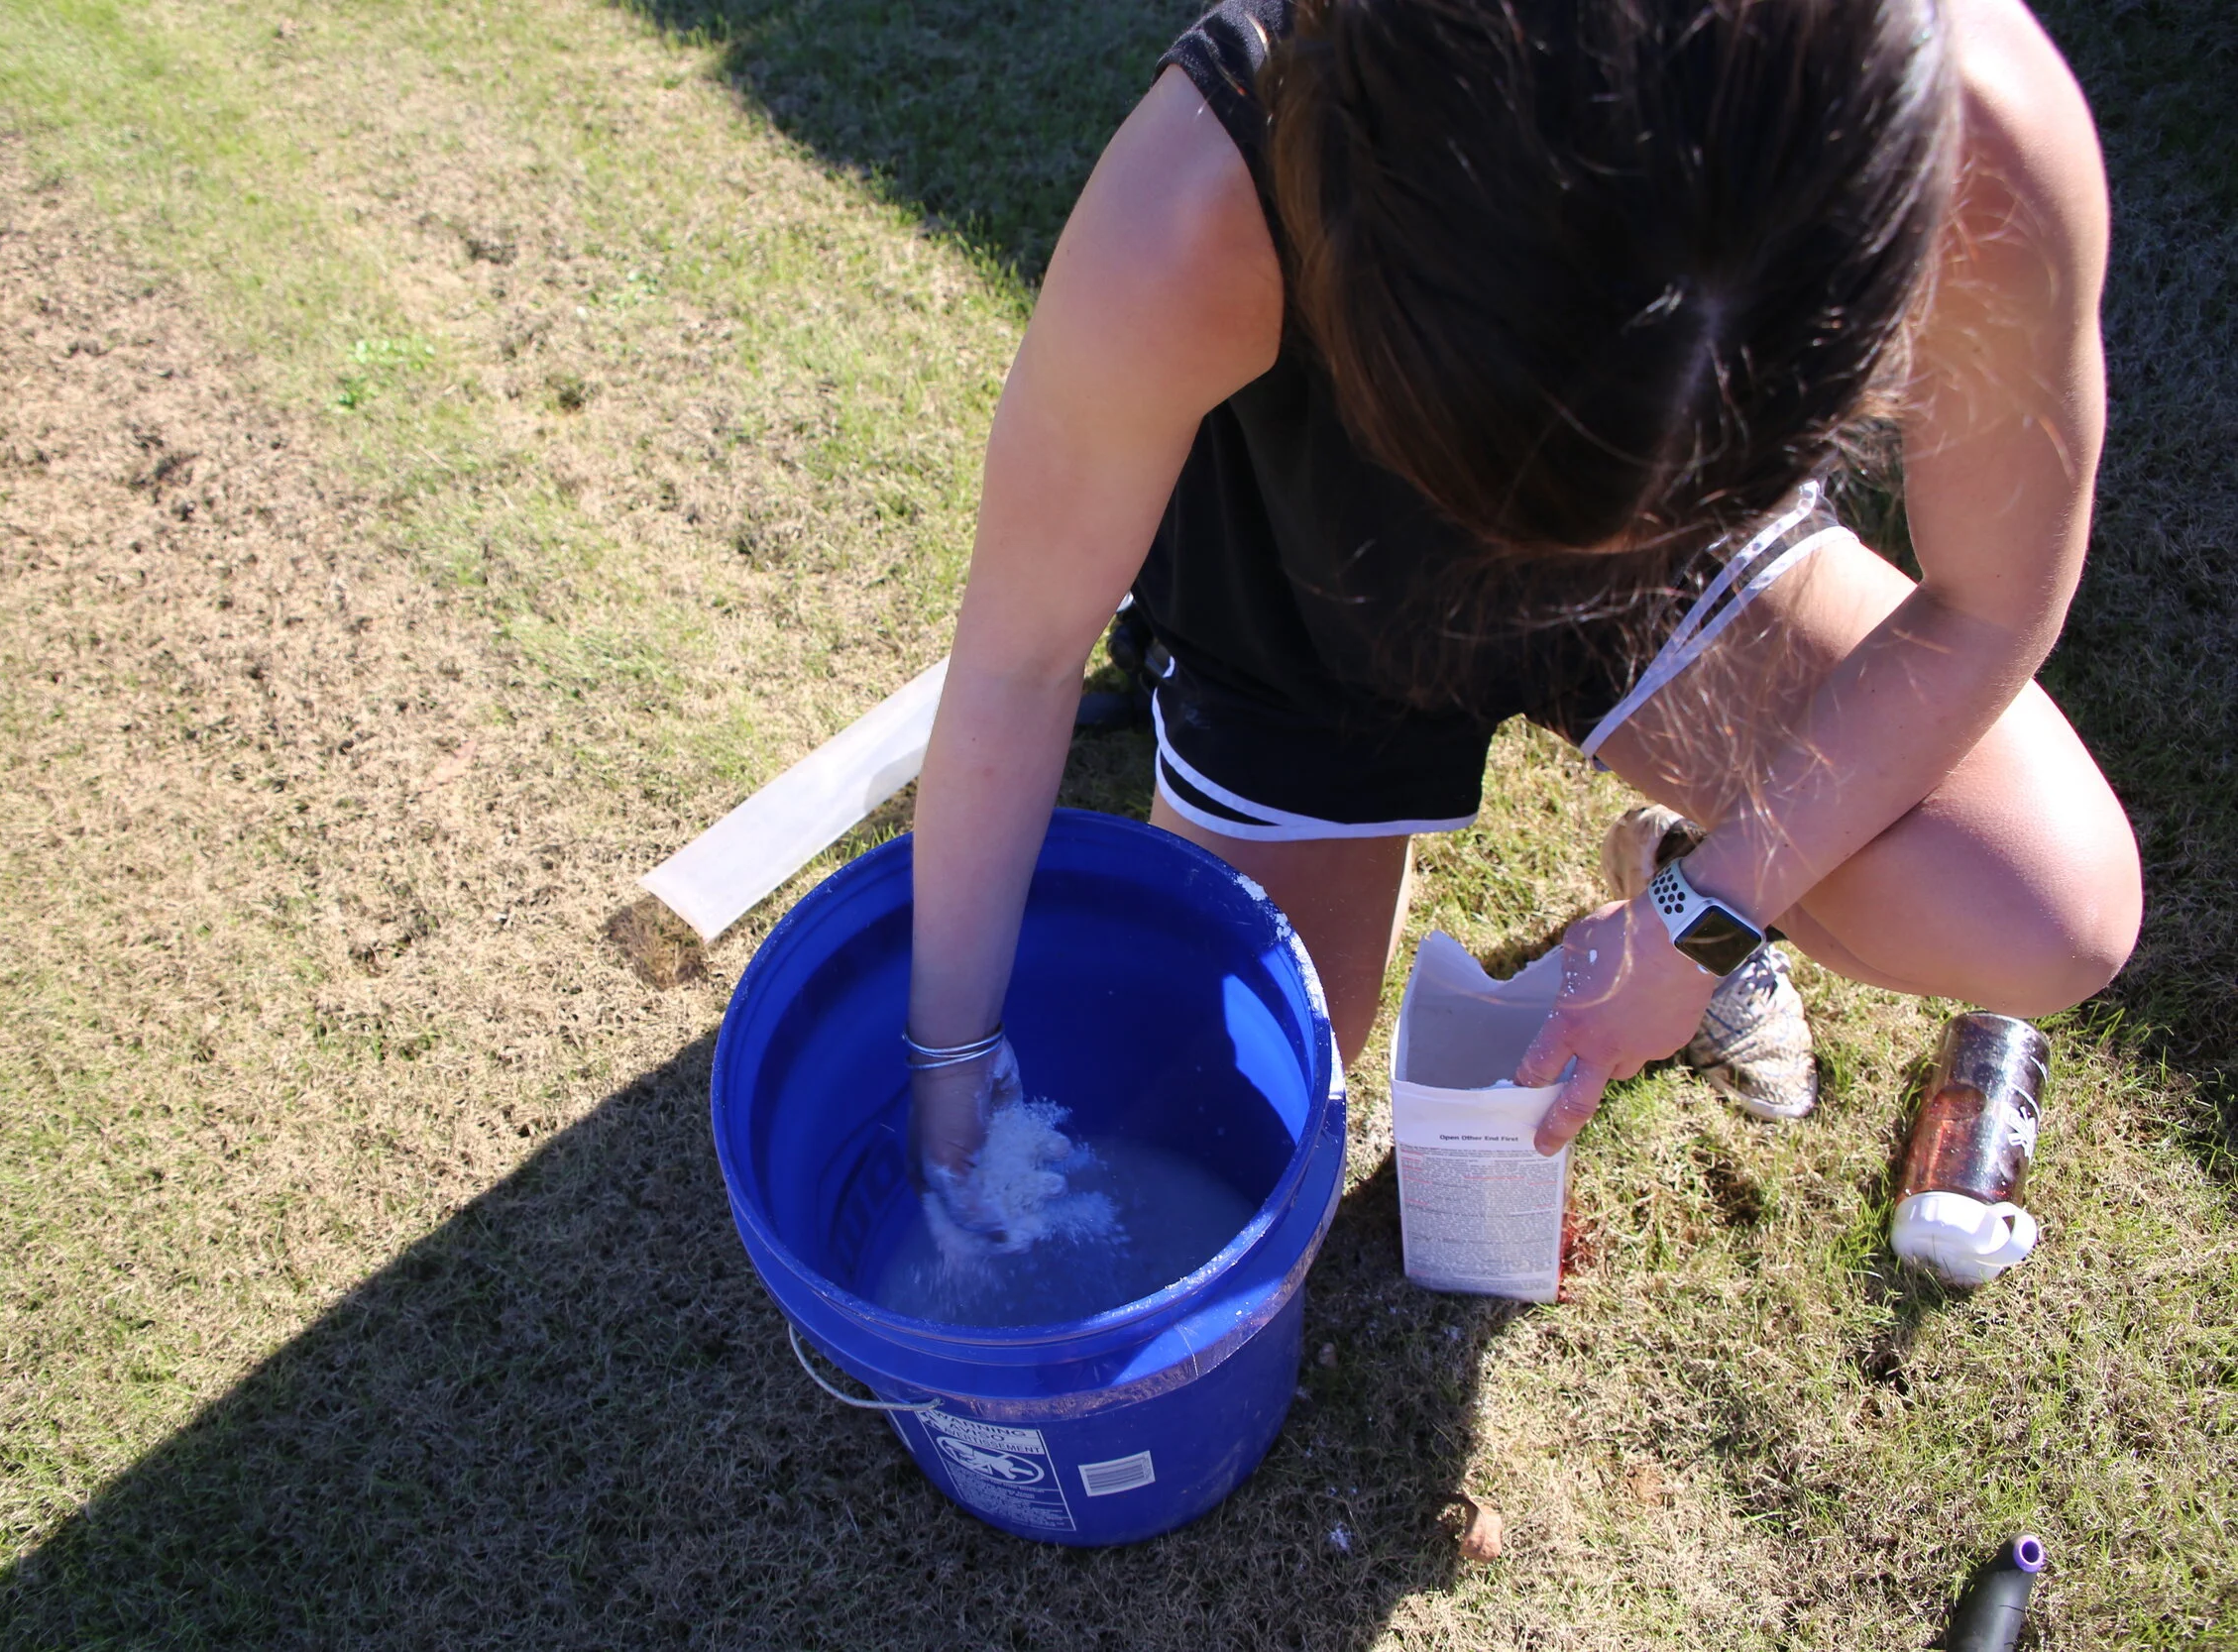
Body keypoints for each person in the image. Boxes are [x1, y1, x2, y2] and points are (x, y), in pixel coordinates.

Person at [903, 0, 2142, 1237]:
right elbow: (1019, 655)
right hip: (1312, 568)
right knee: (1219, 1131)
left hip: (1662, 581)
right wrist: (951, 1064)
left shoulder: (1980, 129)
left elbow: (1988, 603)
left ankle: (1667, 845)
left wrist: (1704, 916)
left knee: (2038, 902)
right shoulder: (1198, 196)